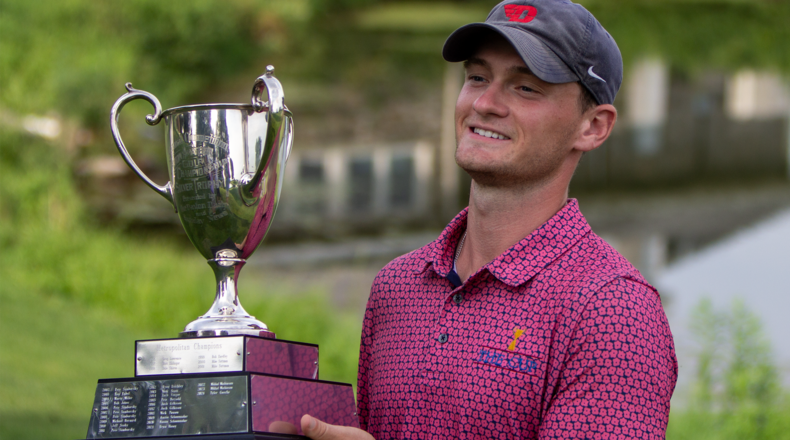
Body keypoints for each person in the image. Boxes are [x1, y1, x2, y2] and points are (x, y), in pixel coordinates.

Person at [301, 0, 677, 438]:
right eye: (477, 77)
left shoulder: (614, 313)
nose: (484, 102)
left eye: (526, 88)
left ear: (592, 126)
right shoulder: (396, 287)